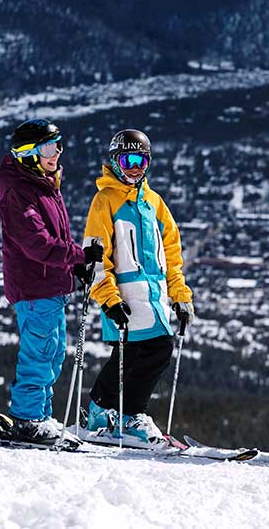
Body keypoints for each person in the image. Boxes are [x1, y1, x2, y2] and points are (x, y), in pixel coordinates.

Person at [0, 118, 104, 444]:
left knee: (52, 352)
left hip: (48, 285)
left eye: (57, 146)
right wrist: (79, 256)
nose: (56, 153)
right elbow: (37, 243)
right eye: (47, 148)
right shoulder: (20, 192)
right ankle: (28, 419)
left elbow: (51, 240)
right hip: (34, 286)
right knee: (40, 352)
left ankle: (39, 416)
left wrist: (73, 269)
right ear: (28, 153)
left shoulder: (41, 184)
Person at [81, 128, 193, 446]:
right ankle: (122, 412)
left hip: (153, 296)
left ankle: (109, 410)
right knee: (145, 351)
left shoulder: (154, 203)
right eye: (130, 159)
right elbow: (97, 253)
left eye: (142, 159)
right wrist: (108, 298)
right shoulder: (106, 200)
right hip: (125, 295)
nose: (136, 167)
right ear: (116, 160)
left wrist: (180, 296)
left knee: (143, 352)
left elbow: (171, 254)